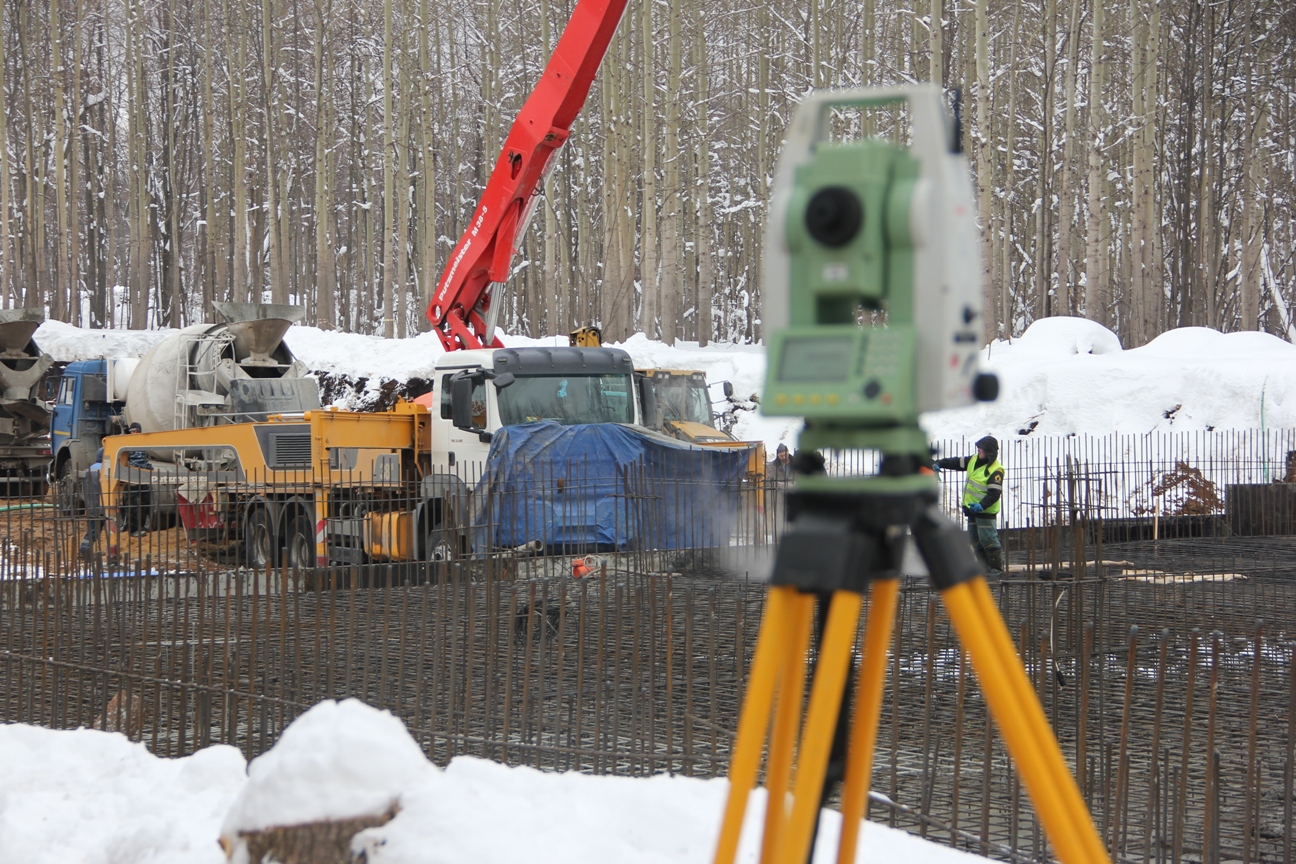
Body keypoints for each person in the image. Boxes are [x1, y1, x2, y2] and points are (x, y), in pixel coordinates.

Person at [936, 435, 1005, 577]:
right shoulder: (974, 460)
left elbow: (994, 493)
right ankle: (983, 568)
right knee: (975, 540)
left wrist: (981, 505)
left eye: (982, 448)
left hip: (984, 511)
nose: (979, 450)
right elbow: (957, 462)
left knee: (988, 539)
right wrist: (939, 463)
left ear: (989, 452)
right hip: (971, 509)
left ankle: (996, 569)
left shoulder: (995, 470)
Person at [122, 422, 153, 537]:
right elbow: (124, 461)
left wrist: (148, 467)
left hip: (142, 476)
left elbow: (144, 460)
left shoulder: (142, 445)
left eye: (137, 431)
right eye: (133, 431)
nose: (135, 433)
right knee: (132, 504)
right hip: (130, 477)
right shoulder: (126, 444)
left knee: (146, 500)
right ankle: (132, 529)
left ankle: (142, 525)